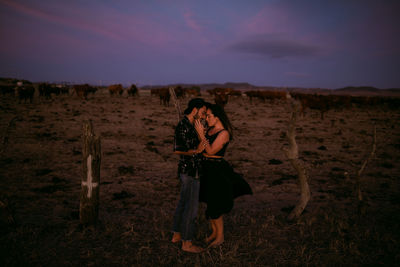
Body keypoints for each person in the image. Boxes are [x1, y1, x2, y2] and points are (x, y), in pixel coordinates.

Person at [195, 103, 252, 248]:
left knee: (216, 205)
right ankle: (214, 233)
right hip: (206, 169)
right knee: (209, 201)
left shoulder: (224, 133)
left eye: (208, 116)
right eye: (206, 115)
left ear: (217, 116)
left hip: (217, 171)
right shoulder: (211, 130)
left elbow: (212, 151)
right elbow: (202, 150)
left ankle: (220, 237)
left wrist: (201, 135)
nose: (206, 118)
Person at [171, 98, 207, 253]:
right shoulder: (183, 125)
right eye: (203, 112)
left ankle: (176, 235)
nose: (204, 116)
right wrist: (196, 151)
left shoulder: (192, 124)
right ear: (195, 110)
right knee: (191, 209)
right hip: (190, 171)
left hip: (190, 170)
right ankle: (187, 243)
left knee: (183, 203)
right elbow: (177, 149)